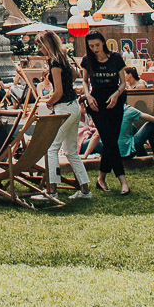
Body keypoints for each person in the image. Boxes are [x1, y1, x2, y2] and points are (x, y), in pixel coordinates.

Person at [34, 31, 91, 203]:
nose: (39, 49)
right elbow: (75, 76)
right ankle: (84, 189)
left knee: (52, 148)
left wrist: (50, 101)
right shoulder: (63, 60)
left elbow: (58, 92)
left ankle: (52, 191)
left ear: (47, 45)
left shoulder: (54, 63)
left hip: (63, 108)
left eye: (40, 45)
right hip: (73, 106)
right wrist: (64, 88)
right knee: (71, 151)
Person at [82, 30, 131, 195]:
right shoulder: (87, 60)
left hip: (115, 101)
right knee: (109, 140)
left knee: (111, 141)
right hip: (96, 103)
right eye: (91, 46)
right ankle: (122, 180)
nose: (95, 48)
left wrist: (117, 94)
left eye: (97, 45)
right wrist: (88, 96)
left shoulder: (116, 58)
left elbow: (123, 83)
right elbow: (84, 81)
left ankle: (101, 178)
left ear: (103, 42)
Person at [117, 101, 154, 166]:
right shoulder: (128, 110)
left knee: (132, 127)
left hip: (114, 153)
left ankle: (143, 155)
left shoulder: (108, 111)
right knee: (150, 125)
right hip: (127, 153)